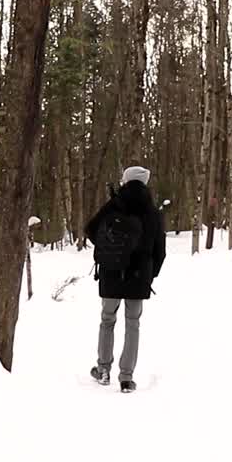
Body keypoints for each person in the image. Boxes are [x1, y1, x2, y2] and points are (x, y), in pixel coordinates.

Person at [84, 165, 167, 392]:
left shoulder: (114, 205)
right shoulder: (152, 212)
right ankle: (126, 378)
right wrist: (150, 273)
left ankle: (103, 369)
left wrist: (108, 250)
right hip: (139, 276)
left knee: (107, 320)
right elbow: (160, 250)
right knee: (133, 324)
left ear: (126, 180)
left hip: (111, 272)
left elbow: (90, 229)